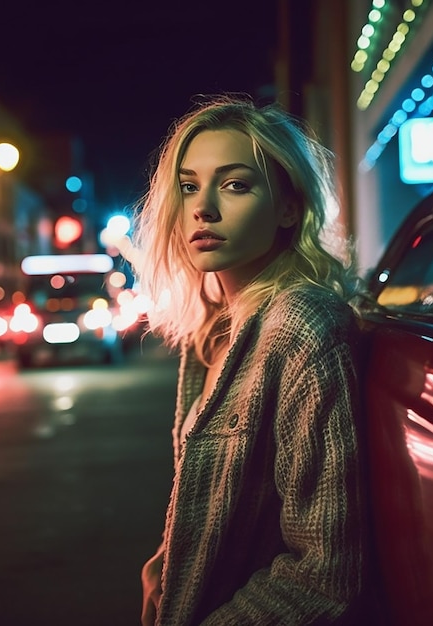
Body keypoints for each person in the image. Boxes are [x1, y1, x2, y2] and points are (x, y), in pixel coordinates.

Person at [126, 94, 377, 625]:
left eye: (236, 184)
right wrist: (167, 564)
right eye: (189, 186)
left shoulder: (302, 326)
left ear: (290, 207)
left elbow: (325, 576)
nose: (203, 208)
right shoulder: (217, 328)